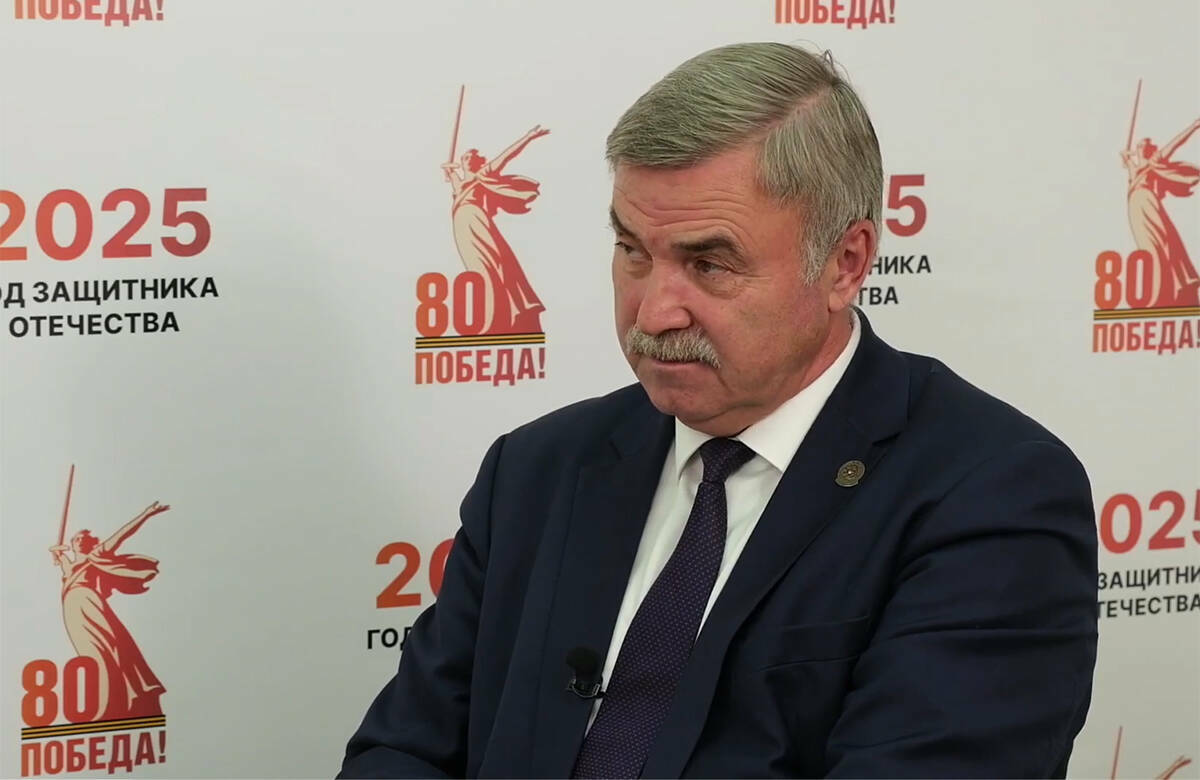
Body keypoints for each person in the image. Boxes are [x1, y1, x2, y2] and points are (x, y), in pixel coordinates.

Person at [340, 42, 1098, 778]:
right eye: (634, 252)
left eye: (709, 264)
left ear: (845, 263)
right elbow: (404, 751)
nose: (654, 311)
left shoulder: (991, 496)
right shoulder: (538, 469)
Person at [50, 501, 170, 721]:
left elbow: (122, 534)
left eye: (84, 539)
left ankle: (115, 702)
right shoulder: (68, 566)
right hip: (72, 611)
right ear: (72, 545)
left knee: (108, 649)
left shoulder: (97, 555)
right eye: (76, 539)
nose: (80, 541)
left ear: (91, 544)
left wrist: (145, 514)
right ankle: (104, 702)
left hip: (89, 604)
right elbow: (58, 556)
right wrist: (56, 552)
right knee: (89, 653)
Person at [441, 126, 551, 335]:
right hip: (462, 226)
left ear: (477, 162)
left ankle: (503, 314)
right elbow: (448, 171)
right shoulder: (459, 184)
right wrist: (448, 168)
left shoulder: (483, 174)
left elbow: (506, 156)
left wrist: (527, 137)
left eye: (471, 156)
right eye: (465, 157)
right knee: (476, 267)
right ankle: (489, 315)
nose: (467, 159)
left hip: (476, 220)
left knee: (493, 263)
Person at [1120, 119, 1200, 308]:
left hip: (1148, 203)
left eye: (1145, 145)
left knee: (1162, 245)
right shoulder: (1134, 168)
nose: (1141, 146)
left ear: (1149, 150)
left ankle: (1170, 289)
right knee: (1147, 248)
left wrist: (1194, 125)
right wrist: (1125, 156)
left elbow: (1176, 142)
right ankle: (1158, 292)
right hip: (1135, 208)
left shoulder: (1155, 161)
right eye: (1140, 144)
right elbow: (1125, 158)